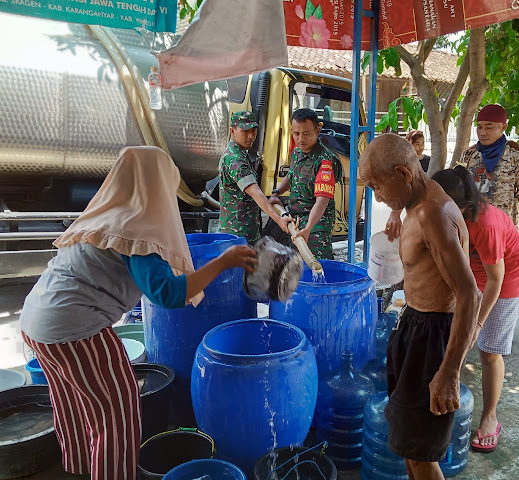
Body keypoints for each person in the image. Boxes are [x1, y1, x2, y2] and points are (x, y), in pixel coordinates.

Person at [20, 146, 258, 480]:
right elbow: (167, 294)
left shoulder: (109, 211)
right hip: (75, 329)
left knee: (73, 404)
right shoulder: (137, 227)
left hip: (36, 322)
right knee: (117, 411)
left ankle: (79, 469)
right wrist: (223, 261)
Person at [360, 134, 481, 480]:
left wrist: (449, 373)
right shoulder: (416, 201)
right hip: (415, 326)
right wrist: (398, 210)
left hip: (433, 337)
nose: (377, 196)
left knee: (423, 455)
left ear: (403, 173)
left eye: (377, 187)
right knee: (410, 446)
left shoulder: (433, 214)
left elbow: (469, 294)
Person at [433, 166, 519, 453]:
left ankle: (490, 417)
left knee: (488, 350)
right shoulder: (446, 212)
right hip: (475, 273)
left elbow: (496, 279)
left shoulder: (485, 224)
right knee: (451, 333)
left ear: (458, 206)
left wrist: (477, 323)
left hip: (506, 280)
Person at [453, 104, 519, 245]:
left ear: (503, 127)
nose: (482, 132)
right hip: (471, 230)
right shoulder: (469, 155)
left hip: (503, 232)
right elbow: (459, 192)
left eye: (489, 127)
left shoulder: (518, 156)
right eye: (479, 127)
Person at [269, 108, 343, 259]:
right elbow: (292, 176)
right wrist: (276, 193)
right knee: (296, 268)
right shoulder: (297, 152)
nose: (301, 138)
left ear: (318, 130)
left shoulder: (326, 161)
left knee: (317, 266)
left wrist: (308, 228)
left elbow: (322, 202)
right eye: (296, 133)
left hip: (316, 225)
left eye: (306, 133)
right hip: (295, 222)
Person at [219, 111, 292, 244]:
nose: (251, 136)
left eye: (253, 131)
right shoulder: (235, 159)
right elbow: (255, 192)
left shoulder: (241, 153)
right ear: (232, 131)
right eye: (245, 131)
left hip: (246, 231)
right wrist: (278, 219)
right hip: (238, 234)